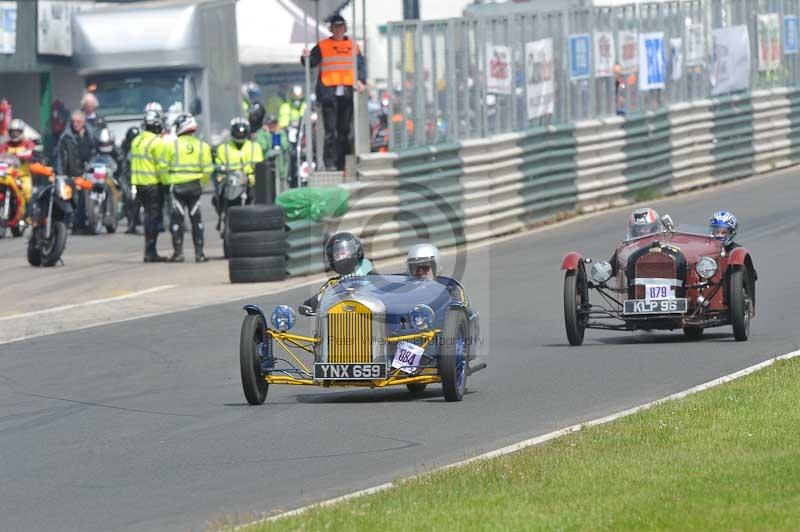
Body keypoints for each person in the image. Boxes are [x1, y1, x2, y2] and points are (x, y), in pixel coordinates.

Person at [301, 14, 366, 171]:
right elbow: (311, 62)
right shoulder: (323, 45)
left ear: (345, 28)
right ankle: (330, 162)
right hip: (329, 92)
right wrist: (305, 57)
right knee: (331, 131)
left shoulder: (353, 46)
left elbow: (361, 66)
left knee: (345, 130)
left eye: (341, 27)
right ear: (331, 29)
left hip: (347, 92)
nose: (338, 30)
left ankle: (342, 163)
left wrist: (361, 81)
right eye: (336, 27)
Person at [159, 113, 213, 263]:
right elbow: (208, 169)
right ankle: (199, 254)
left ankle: (178, 254)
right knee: (197, 219)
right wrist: (201, 183)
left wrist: (168, 182)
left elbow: (162, 168)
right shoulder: (202, 146)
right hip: (195, 186)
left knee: (177, 220)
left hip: (177, 187)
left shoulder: (171, 146)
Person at [302, 232, 375, 313]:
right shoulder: (333, 283)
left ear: (356, 252)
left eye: (343, 253)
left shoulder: (371, 276)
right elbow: (309, 304)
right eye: (336, 256)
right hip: (341, 317)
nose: (340, 258)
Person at [130, 111, 167, 262]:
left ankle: (149, 250)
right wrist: (167, 183)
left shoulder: (136, 140)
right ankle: (151, 251)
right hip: (152, 184)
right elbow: (162, 167)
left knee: (147, 217)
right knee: (154, 218)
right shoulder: (157, 142)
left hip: (138, 183)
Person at [214, 117, 264, 222]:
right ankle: (223, 216)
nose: (240, 134)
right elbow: (218, 164)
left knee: (256, 198)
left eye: (242, 132)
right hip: (230, 181)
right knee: (217, 198)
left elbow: (259, 165)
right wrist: (221, 171)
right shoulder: (223, 148)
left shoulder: (255, 147)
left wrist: (251, 176)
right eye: (237, 132)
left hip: (249, 182)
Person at [0, 118, 37, 203]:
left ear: (21, 132)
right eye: (12, 131)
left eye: (17, 131)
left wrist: (20, 155)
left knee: (27, 192)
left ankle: (27, 211)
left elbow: (30, 153)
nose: (14, 134)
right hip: (8, 175)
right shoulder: (5, 145)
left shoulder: (28, 143)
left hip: (22, 176)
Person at [56, 111, 95, 178]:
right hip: (72, 176)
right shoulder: (66, 138)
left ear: (84, 122)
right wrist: (60, 175)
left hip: (89, 175)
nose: (75, 124)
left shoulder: (91, 135)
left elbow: (96, 153)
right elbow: (60, 158)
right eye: (73, 122)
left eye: (78, 122)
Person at [254, 115, 290, 186]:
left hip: (280, 170)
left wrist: (277, 134)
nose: (273, 126)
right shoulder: (261, 133)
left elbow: (285, 146)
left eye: (274, 123)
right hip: (266, 169)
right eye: (270, 124)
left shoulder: (281, 132)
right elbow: (264, 147)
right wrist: (267, 134)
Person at [119, 126, 141, 234]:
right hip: (127, 179)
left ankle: (135, 223)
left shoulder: (141, 147)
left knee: (136, 201)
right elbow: (121, 163)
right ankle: (131, 223)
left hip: (139, 178)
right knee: (129, 200)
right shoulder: (124, 148)